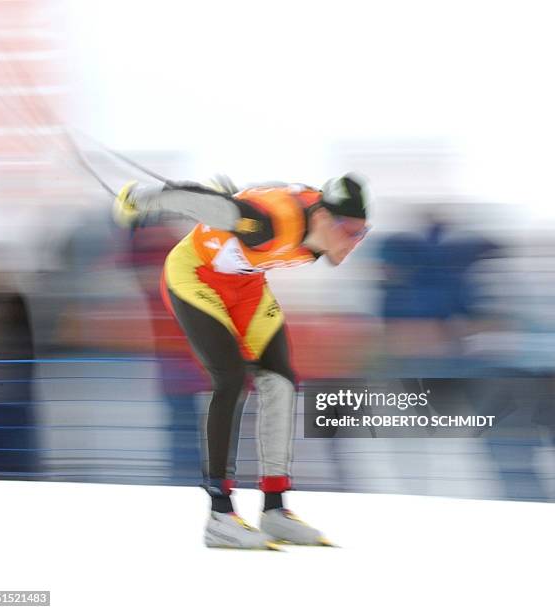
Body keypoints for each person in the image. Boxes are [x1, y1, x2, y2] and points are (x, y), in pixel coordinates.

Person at [113, 173, 369, 549]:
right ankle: (220, 514)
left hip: (245, 287)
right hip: (195, 277)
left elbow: (279, 185)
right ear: (323, 219)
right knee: (231, 379)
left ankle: (275, 509)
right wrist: (140, 198)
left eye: (362, 234)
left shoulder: (317, 227)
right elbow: (207, 205)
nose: (353, 243)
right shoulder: (267, 222)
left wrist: (241, 191)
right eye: (349, 231)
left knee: (280, 382)